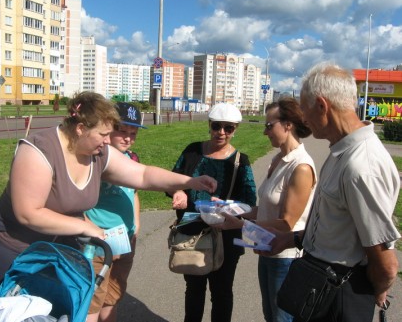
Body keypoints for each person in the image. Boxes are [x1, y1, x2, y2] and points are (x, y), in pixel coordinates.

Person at [0, 92, 217, 308]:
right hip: (12, 249)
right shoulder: (38, 150)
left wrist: (189, 181)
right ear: (80, 128)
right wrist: (85, 226)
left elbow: (141, 173)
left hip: (54, 250)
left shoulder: (97, 153)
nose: (109, 141)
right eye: (103, 134)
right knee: (6, 310)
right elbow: (28, 212)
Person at [264, 63, 400, 322]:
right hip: (324, 283)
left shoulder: (361, 166)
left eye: (305, 111)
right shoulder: (341, 151)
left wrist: (376, 291)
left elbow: (386, 264)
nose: (304, 120)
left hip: (341, 294)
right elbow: (336, 228)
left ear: (322, 106)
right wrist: (290, 239)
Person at [216, 98, 317, 322]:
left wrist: (241, 225)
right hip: (267, 250)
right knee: (271, 315)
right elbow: (267, 209)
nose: (265, 132)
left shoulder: (300, 166)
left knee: (282, 318)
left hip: (287, 257)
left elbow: (286, 223)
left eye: (269, 125)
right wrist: (232, 209)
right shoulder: (279, 159)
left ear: (288, 124)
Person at [169, 103, 257, 322]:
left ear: (235, 129)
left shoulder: (240, 161)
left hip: (225, 235)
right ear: (209, 125)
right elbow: (172, 180)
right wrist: (178, 191)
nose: (222, 132)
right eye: (217, 126)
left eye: (229, 128)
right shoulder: (192, 151)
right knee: (194, 289)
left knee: (222, 292)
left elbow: (249, 202)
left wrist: (226, 206)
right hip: (192, 234)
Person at [86, 102, 146, 322]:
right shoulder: (94, 160)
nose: (128, 137)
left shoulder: (132, 159)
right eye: (122, 130)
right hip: (98, 243)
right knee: (92, 301)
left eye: (133, 132)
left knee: (112, 296)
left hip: (126, 239)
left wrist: (136, 224)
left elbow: (135, 193)